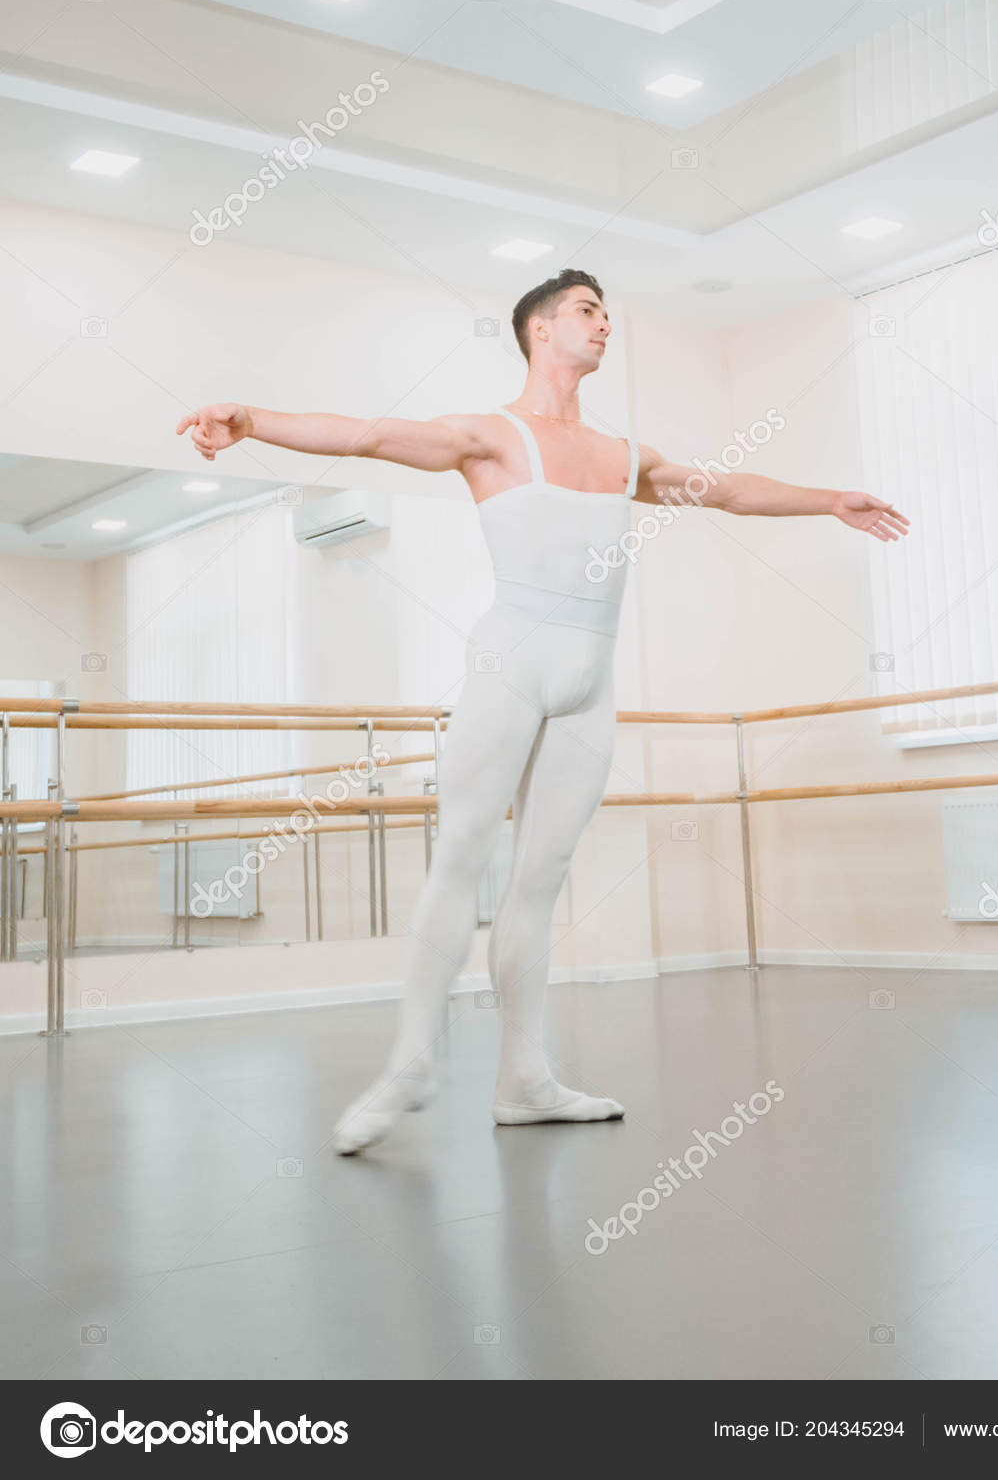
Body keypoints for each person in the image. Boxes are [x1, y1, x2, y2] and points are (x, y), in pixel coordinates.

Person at [177, 269, 908, 1153]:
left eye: (606, 313)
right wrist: (250, 419)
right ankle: (408, 1065)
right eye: (586, 311)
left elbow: (725, 489)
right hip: (509, 664)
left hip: (588, 683)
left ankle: (524, 1078)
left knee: (540, 880)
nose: (604, 325)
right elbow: (367, 435)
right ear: (537, 330)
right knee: (461, 858)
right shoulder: (490, 436)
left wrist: (827, 500)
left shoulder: (620, 455)